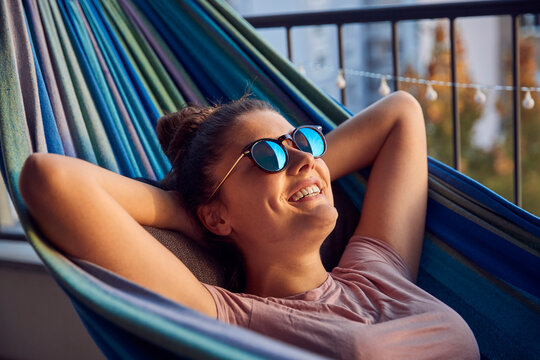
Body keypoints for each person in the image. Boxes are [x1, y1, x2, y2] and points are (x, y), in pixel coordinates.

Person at [19, 91, 479, 359]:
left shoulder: (377, 266)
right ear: (217, 217)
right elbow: (49, 179)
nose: (302, 156)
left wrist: (306, 175)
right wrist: (184, 211)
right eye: (265, 154)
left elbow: (401, 112)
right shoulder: (230, 319)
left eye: (302, 140)